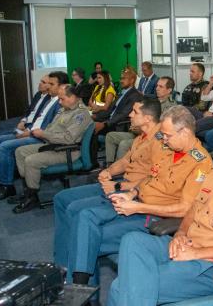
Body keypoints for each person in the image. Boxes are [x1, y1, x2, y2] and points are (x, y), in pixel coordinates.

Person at [107, 112, 213, 305]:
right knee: (133, 240)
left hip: (210, 265)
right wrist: (179, 235)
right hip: (188, 245)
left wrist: (194, 254)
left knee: (120, 288)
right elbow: (192, 211)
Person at [69, 106, 213, 286]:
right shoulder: (170, 150)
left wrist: (139, 207)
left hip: (155, 216)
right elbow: (150, 177)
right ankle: (80, 290)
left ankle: (79, 289)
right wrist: (131, 193)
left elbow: (185, 209)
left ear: (184, 132)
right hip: (137, 203)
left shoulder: (200, 164)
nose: (164, 140)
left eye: (168, 136)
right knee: (85, 218)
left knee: (88, 238)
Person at [53, 97, 164, 269]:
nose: (130, 114)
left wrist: (119, 186)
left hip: (131, 193)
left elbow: (156, 177)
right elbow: (126, 161)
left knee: (75, 210)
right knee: (61, 199)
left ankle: (72, 267)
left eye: (134, 112)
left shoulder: (160, 141)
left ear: (148, 118)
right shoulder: (141, 137)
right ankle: (63, 261)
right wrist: (108, 172)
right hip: (120, 184)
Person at [0, 71, 67, 201]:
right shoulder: (49, 99)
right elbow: (35, 116)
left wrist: (28, 132)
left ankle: (7, 186)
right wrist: (26, 126)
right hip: (32, 130)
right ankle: (2, 179)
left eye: (51, 84)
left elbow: (50, 127)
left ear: (62, 86)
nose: (48, 87)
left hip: (40, 137)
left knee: (5, 146)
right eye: (48, 83)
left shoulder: (61, 103)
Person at [12, 85, 93, 213]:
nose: (59, 102)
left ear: (72, 97)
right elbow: (52, 128)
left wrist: (43, 134)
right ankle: (29, 187)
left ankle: (32, 197)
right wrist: (43, 133)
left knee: (31, 161)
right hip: (53, 145)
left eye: (62, 99)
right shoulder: (65, 109)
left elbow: (68, 139)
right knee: (20, 151)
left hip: (67, 151)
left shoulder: (81, 114)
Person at [105, 76, 176, 164]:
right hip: (138, 133)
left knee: (124, 144)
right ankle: (110, 164)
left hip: (153, 138)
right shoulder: (150, 101)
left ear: (169, 90)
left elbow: (163, 129)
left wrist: (141, 129)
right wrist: (135, 125)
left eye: (161, 87)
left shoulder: (171, 108)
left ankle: (120, 171)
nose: (157, 88)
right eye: (157, 86)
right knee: (110, 136)